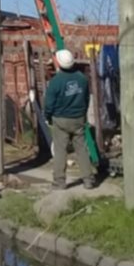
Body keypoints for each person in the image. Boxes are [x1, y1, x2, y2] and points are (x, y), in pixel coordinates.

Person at [43, 48, 94, 190]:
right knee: (82, 150)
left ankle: (59, 182)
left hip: (60, 120)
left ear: (58, 63)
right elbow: (86, 99)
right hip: (78, 118)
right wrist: (83, 114)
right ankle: (88, 180)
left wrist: (48, 117)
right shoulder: (82, 78)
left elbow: (49, 104)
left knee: (60, 151)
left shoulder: (55, 81)